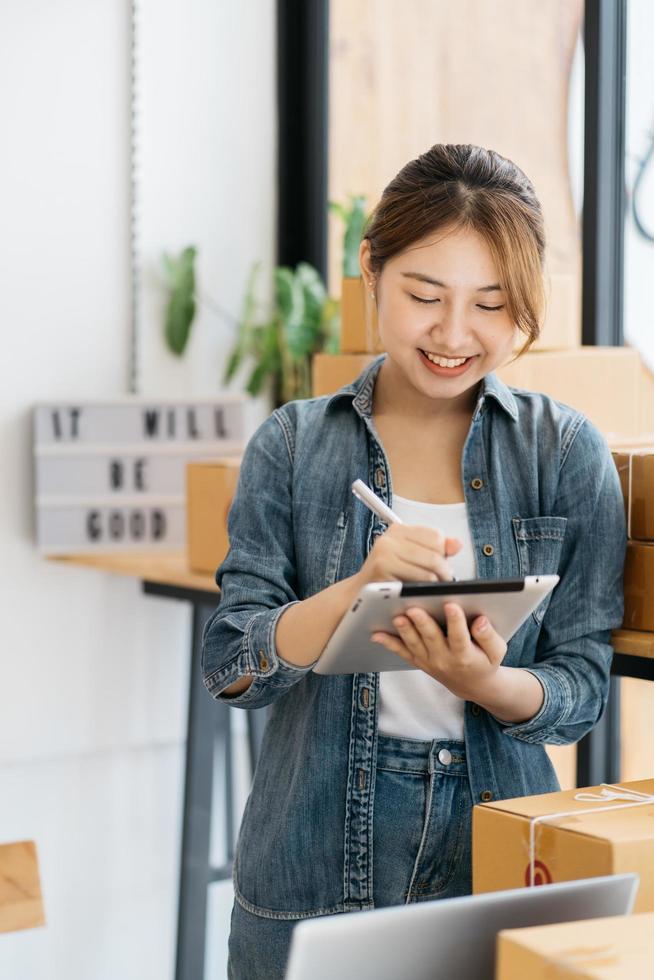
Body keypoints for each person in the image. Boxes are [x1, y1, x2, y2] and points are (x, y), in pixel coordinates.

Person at [202, 143, 626, 980]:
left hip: (499, 865)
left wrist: (489, 684)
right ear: (371, 269)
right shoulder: (292, 445)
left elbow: (582, 688)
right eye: (425, 296)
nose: (454, 334)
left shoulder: (565, 451)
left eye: (492, 306)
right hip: (310, 869)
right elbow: (230, 662)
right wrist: (358, 590)